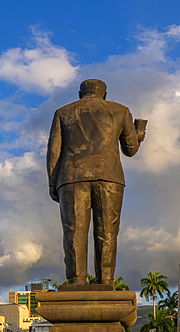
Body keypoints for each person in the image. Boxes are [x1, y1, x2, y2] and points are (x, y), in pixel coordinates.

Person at [47, 79, 147, 285]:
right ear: (105, 94)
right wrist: (140, 134)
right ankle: (106, 280)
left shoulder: (63, 112)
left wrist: (53, 182)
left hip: (72, 177)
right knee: (108, 231)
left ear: (79, 94)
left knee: (74, 231)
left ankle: (76, 280)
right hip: (109, 177)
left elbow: (53, 152)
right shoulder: (121, 111)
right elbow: (130, 150)